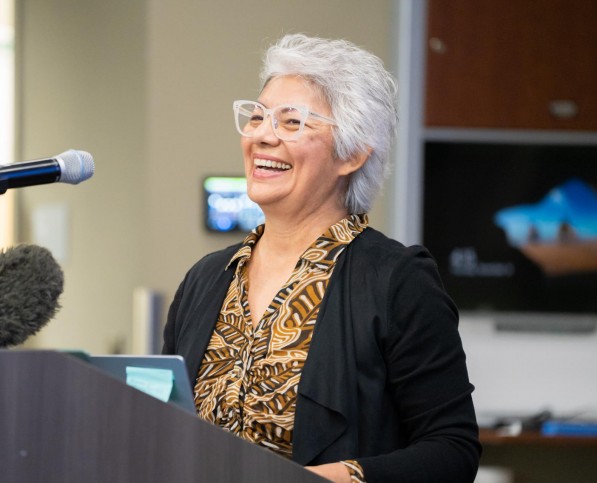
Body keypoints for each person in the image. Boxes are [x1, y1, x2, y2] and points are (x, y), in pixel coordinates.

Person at [162, 33, 481, 482]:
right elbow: (163, 425)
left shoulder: (396, 280)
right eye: (257, 117)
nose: (261, 136)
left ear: (351, 154)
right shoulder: (206, 278)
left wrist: (322, 480)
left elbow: (452, 451)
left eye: (291, 123)